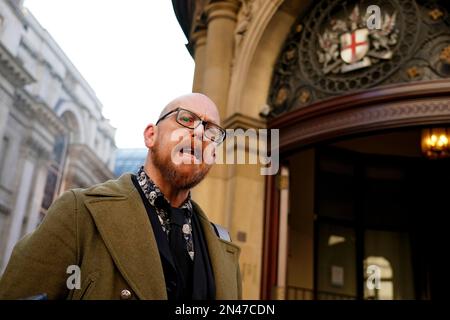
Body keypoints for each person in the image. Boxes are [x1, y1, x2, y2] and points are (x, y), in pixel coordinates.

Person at [0, 93, 242, 300]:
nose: (200, 133)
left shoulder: (223, 249)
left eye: (212, 131)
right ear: (151, 135)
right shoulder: (79, 212)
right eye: (186, 119)